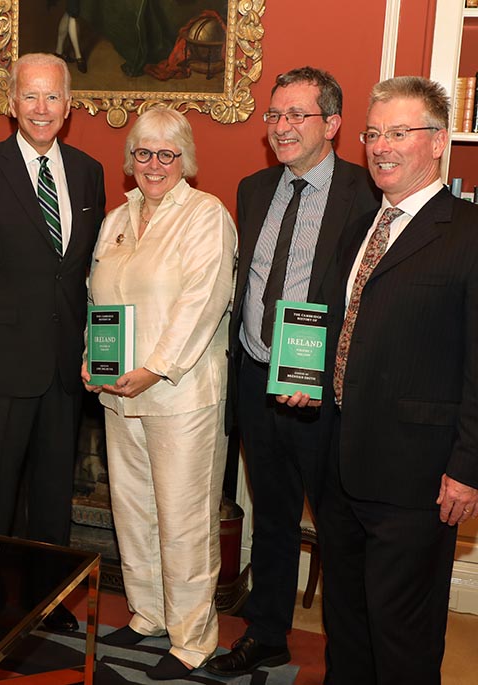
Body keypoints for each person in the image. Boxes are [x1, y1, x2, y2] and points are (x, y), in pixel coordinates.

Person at [206, 67, 378, 677]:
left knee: (337, 526)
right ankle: (268, 632)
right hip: (256, 378)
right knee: (271, 515)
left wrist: (324, 374)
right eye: (274, 116)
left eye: (295, 116)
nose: (280, 128)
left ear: (332, 124)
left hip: (324, 393)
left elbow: (371, 299)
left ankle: (347, 656)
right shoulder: (254, 188)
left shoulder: (366, 195)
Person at [0, 52, 105, 631]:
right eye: (30, 96)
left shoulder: (87, 171)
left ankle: (49, 602)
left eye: (52, 97)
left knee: (53, 499)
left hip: (63, 369)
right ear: (11, 103)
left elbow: (85, 274)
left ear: (68, 106)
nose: (41, 108)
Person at [320, 76, 478, 685]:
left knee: (402, 634)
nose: (381, 147)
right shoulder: (360, 226)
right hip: (340, 463)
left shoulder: (467, 233)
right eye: (373, 133)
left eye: (399, 133)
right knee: (348, 624)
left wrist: (467, 466)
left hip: (418, 477)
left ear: (437, 142)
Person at [82, 107, 236, 679]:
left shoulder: (206, 216)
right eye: (143, 153)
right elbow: (99, 298)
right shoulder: (117, 218)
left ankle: (193, 639)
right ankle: (148, 615)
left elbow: (202, 304)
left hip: (181, 396)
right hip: (119, 395)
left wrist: (154, 368)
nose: (153, 165)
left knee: (183, 518)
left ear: (185, 159)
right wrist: (88, 359)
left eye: (166, 154)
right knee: (134, 511)